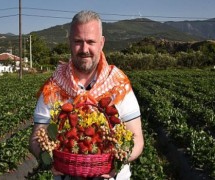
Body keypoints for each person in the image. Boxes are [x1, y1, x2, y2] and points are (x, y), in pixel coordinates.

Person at [29, 10, 144, 180]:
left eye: (91, 41)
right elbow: (35, 138)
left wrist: (118, 161)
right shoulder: (53, 87)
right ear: (69, 42)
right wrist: (49, 161)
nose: (84, 49)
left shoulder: (118, 85)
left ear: (101, 43)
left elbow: (137, 139)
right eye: (78, 42)